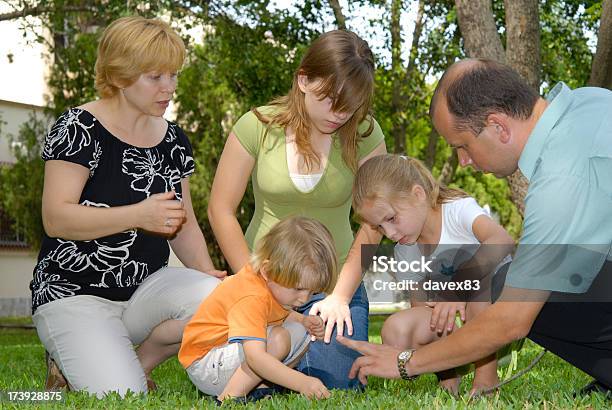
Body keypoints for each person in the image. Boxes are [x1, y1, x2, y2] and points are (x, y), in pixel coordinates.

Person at [338, 58, 612, 396]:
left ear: (498, 125)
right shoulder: (590, 101)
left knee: (507, 286)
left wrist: (405, 362)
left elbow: (512, 321)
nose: (464, 161)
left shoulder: (560, 180)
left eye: (462, 146)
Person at [31, 16, 225, 398]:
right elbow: (56, 218)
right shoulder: (77, 126)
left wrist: (205, 274)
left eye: (173, 75)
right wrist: (138, 215)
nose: (168, 88)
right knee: (122, 396)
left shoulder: (174, 139)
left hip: (144, 295)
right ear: (120, 75)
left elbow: (182, 223)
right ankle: (66, 358)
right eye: (156, 77)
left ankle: (140, 358)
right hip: (75, 294)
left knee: (223, 302)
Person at [208, 30, 387, 389]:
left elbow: (375, 223)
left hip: (334, 286)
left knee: (337, 381)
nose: (340, 115)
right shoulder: (258, 125)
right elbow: (220, 209)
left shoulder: (365, 133)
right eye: (330, 100)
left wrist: (340, 296)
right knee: (248, 369)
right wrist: (251, 285)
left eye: (350, 105)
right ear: (303, 80)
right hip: (265, 283)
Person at [353, 154, 514, 395]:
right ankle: (448, 372)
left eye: (391, 219)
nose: (390, 233)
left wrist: (456, 289)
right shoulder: (405, 251)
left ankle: (486, 379)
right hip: (458, 329)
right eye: (380, 227)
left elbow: (502, 240)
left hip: (499, 316)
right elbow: (422, 308)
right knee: (395, 328)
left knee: (476, 287)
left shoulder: (457, 211)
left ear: (418, 194)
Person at [179, 216, 337, 402]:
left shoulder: (272, 286)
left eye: (312, 292)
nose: (304, 299)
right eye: (299, 288)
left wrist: (303, 321)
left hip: (225, 357)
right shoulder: (251, 295)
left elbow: (278, 315)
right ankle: (228, 398)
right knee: (278, 339)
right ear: (267, 271)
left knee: (302, 331)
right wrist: (302, 383)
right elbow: (255, 358)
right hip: (206, 364)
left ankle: (257, 387)